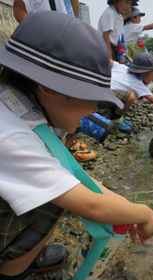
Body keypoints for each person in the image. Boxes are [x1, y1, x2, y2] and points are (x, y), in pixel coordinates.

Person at [0, 11, 153, 280]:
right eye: (91, 98)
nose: (94, 111)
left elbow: (74, 173)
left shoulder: (14, 104)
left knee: (58, 185)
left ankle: (21, 256)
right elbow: (90, 205)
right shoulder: (10, 135)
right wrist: (144, 213)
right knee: (55, 198)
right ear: (48, 87)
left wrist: (123, 204)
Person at [13, 0, 98, 162]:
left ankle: (62, 149)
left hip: (66, 46)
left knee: (71, 110)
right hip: (46, 48)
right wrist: (39, 35)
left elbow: (72, 9)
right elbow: (19, 9)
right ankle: (54, 152)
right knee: (58, 104)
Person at [98, 0, 135, 132]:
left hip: (116, 48)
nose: (128, 7)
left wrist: (124, 55)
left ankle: (119, 104)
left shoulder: (118, 15)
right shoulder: (109, 13)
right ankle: (113, 111)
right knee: (111, 77)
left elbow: (119, 36)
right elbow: (105, 35)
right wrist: (109, 56)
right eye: (125, 2)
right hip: (107, 48)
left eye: (130, 4)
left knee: (119, 76)